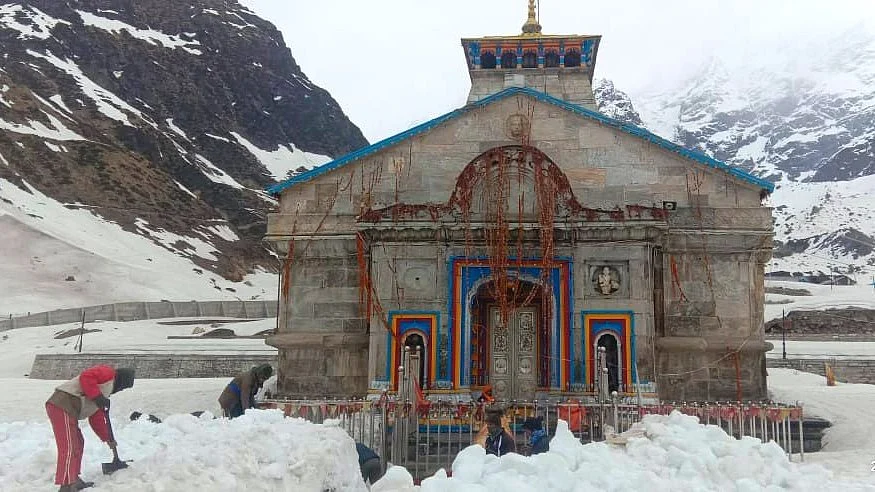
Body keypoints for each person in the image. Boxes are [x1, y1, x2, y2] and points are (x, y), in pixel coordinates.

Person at [45, 365, 135, 492]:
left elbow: (95, 418)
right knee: (70, 446)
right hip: (62, 404)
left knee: (78, 443)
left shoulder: (104, 391)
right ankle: (66, 486)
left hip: (70, 410)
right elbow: (86, 377)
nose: (120, 390)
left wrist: (107, 438)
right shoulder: (108, 373)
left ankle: (74, 479)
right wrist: (98, 398)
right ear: (122, 381)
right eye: (123, 387)